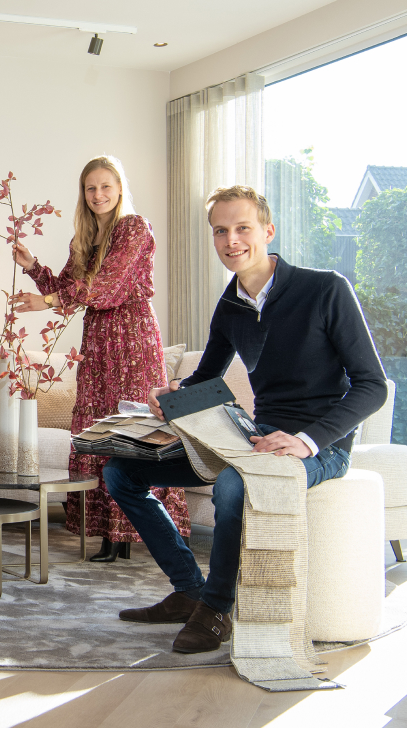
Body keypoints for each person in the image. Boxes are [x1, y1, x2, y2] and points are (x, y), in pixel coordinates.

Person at [104, 185, 388, 654]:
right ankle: (188, 588)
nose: (231, 240)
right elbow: (206, 380)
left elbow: (372, 385)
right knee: (121, 472)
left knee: (234, 485)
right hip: (253, 438)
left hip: (321, 448)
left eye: (242, 228)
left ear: (267, 231)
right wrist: (170, 398)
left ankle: (216, 610)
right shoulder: (232, 305)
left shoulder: (325, 289)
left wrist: (308, 441)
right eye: (220, 231)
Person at [11, 155, 189, 562]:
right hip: (98, 339)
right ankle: (108, 536)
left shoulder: (133, 227)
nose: (98, 194)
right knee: (98, 430)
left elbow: (106, 287)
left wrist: (48, 299)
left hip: (132, 338)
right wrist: (35, 268)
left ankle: (128, 535)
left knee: (129, 430)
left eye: (106, 186)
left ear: (120, 188)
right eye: (91, 188)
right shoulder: (83, 240)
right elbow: (71, 289)